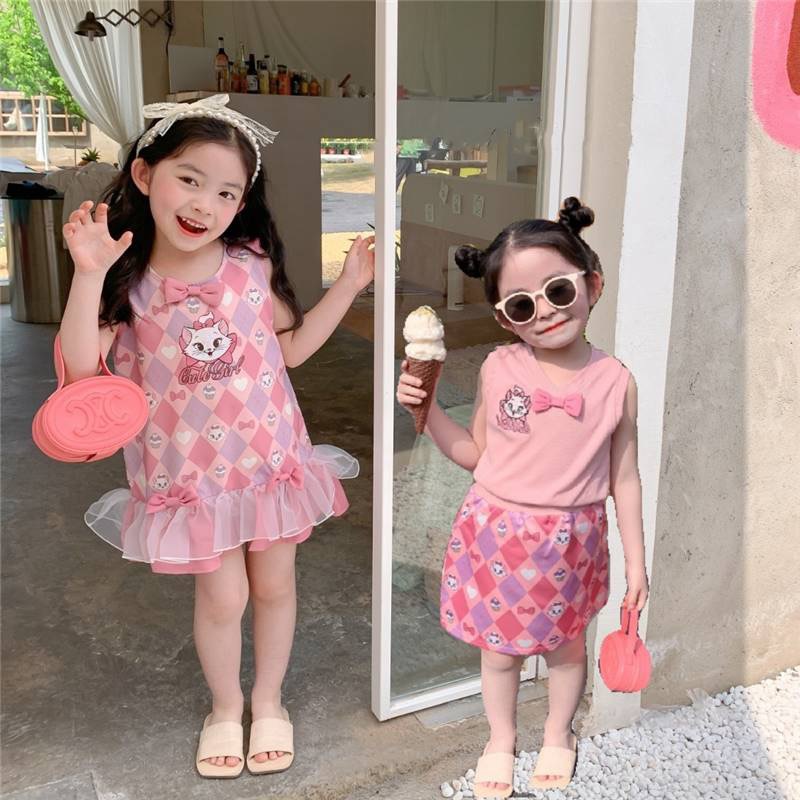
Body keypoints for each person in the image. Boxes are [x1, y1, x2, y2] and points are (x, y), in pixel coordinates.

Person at [58, 94, 375, 779]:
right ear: (145, 174)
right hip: (192, 480)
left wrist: (349, 285)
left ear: (242, 204)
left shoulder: (251, 263)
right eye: (190, 179)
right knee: (223, 596)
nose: (206, 204)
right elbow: (82, 370)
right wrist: (88, 275)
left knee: (276, 586)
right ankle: (226, 708)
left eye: (227, 192)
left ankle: (270, 701)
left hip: (268, 463)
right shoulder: (126, 279)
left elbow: (290, 350)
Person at [396, 198, 649, 797]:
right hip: (497, 534)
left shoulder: (616, 382)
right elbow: (475, 454)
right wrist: (426, 412)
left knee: (566, 649)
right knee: (499, 653)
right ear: (505, 319)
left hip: (572, 540)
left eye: (558, 290)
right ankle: (501, 739)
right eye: (521, 304)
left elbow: (625, 478)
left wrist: (638, 564)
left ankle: (558, 733)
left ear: (592, 284)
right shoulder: (498, 369)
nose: (545, 311)